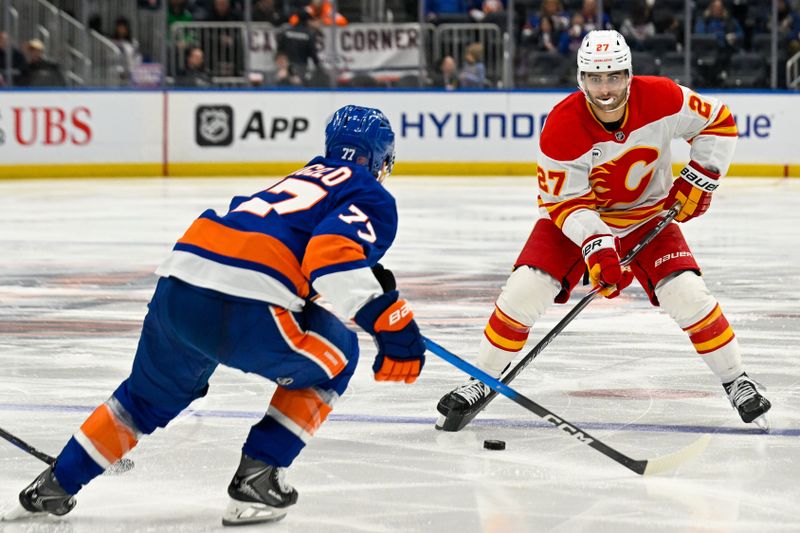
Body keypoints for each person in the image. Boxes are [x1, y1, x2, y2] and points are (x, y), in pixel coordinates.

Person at [2, 105, 426, 526]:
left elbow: (291, 244)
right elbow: (330, 256)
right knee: (338, 354)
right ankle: (257, 479)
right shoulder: (371, 194)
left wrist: (362, 283)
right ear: (380, 159)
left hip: (179, 285)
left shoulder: (297, 178)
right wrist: (393, 326)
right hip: (241, 302)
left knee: (143, 400)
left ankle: (52, 487)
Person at [435, 30, 772, 433]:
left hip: (647, 215)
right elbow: (564, 203)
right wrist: (597, 246)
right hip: (573, 222)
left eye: (613, 76)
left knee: (687, 293)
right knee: (524, 290)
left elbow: (718, 122)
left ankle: (737, 379)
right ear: (581, 79)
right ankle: (481, 378)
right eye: (596, 78)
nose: (606, 88)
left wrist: (701, 178)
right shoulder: (562, 124)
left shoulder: (663, 97)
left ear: (629, 74)